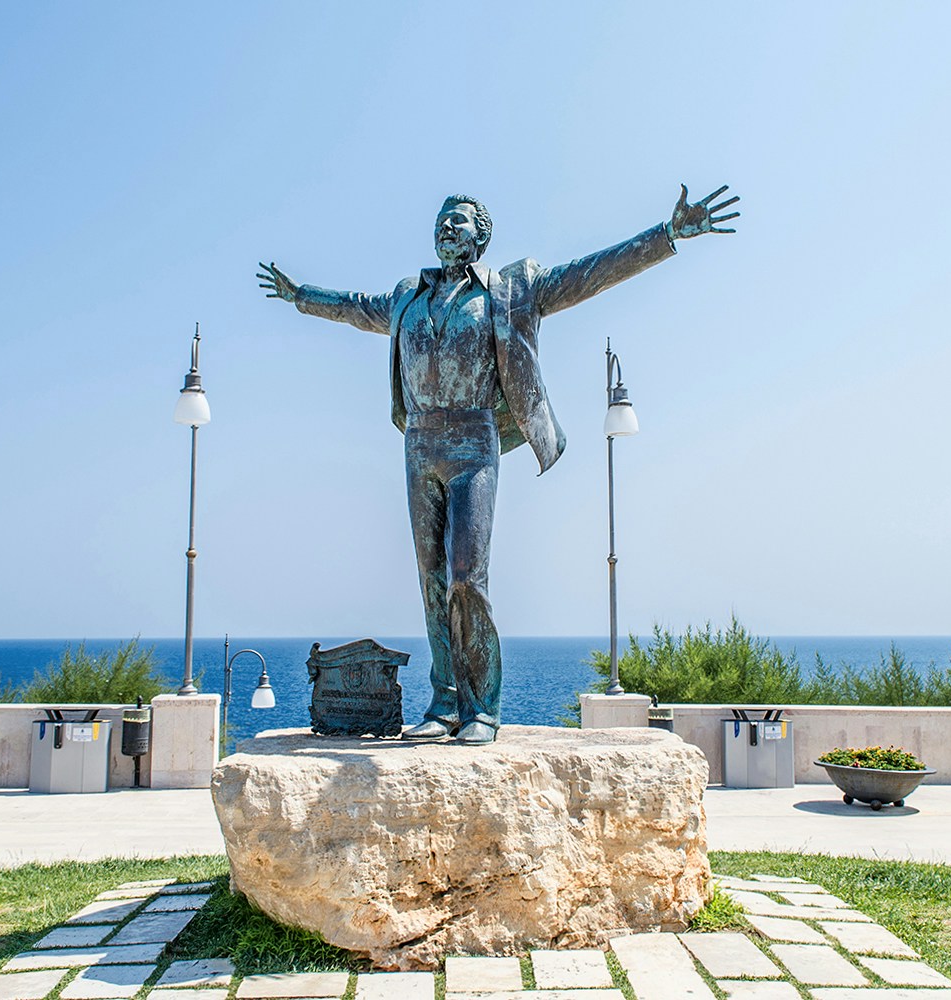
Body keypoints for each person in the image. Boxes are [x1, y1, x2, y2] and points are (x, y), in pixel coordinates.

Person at [257, 185, 738, 744]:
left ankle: (480, 707)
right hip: (418, 445)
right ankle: (443, 703)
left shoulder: (510, 291)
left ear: (480, 237)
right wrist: (301, 295)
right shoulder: (406, 296)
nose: (446, 229)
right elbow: (353, 307)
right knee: (431, 581)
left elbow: (590, 274)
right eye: (441, 221)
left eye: (458, 221)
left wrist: (667, 234)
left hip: (473, 440)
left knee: (467, 577)